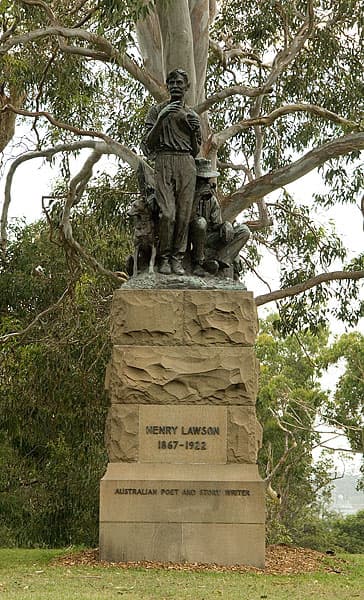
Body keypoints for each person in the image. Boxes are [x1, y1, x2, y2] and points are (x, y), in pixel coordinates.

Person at [142, 69, 201, 275]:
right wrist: (161, 119)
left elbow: (196, 150)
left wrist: (194, 131)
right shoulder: (156, 110)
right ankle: (164, 257)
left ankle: (178, 258)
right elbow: (147, 145)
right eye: (172, 82)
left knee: (184, 216)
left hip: (186, 162)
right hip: (164, 160)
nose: (176, 85)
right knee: (168, 214)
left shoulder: (192, 115)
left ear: (187, 87)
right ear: (167, 86)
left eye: (179, 82)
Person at [189, 158, 251, 279]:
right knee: (200, 223)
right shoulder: (186, 196)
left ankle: (220, 261)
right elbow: (183, 222)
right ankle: (199, 263)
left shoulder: (211, 200)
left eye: (207, 180)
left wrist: (226, 225)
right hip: (190, 239)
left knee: (244, 230)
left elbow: (217, 224)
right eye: (202, 180)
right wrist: (197, 197)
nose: (206, 184)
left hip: (209, 238)